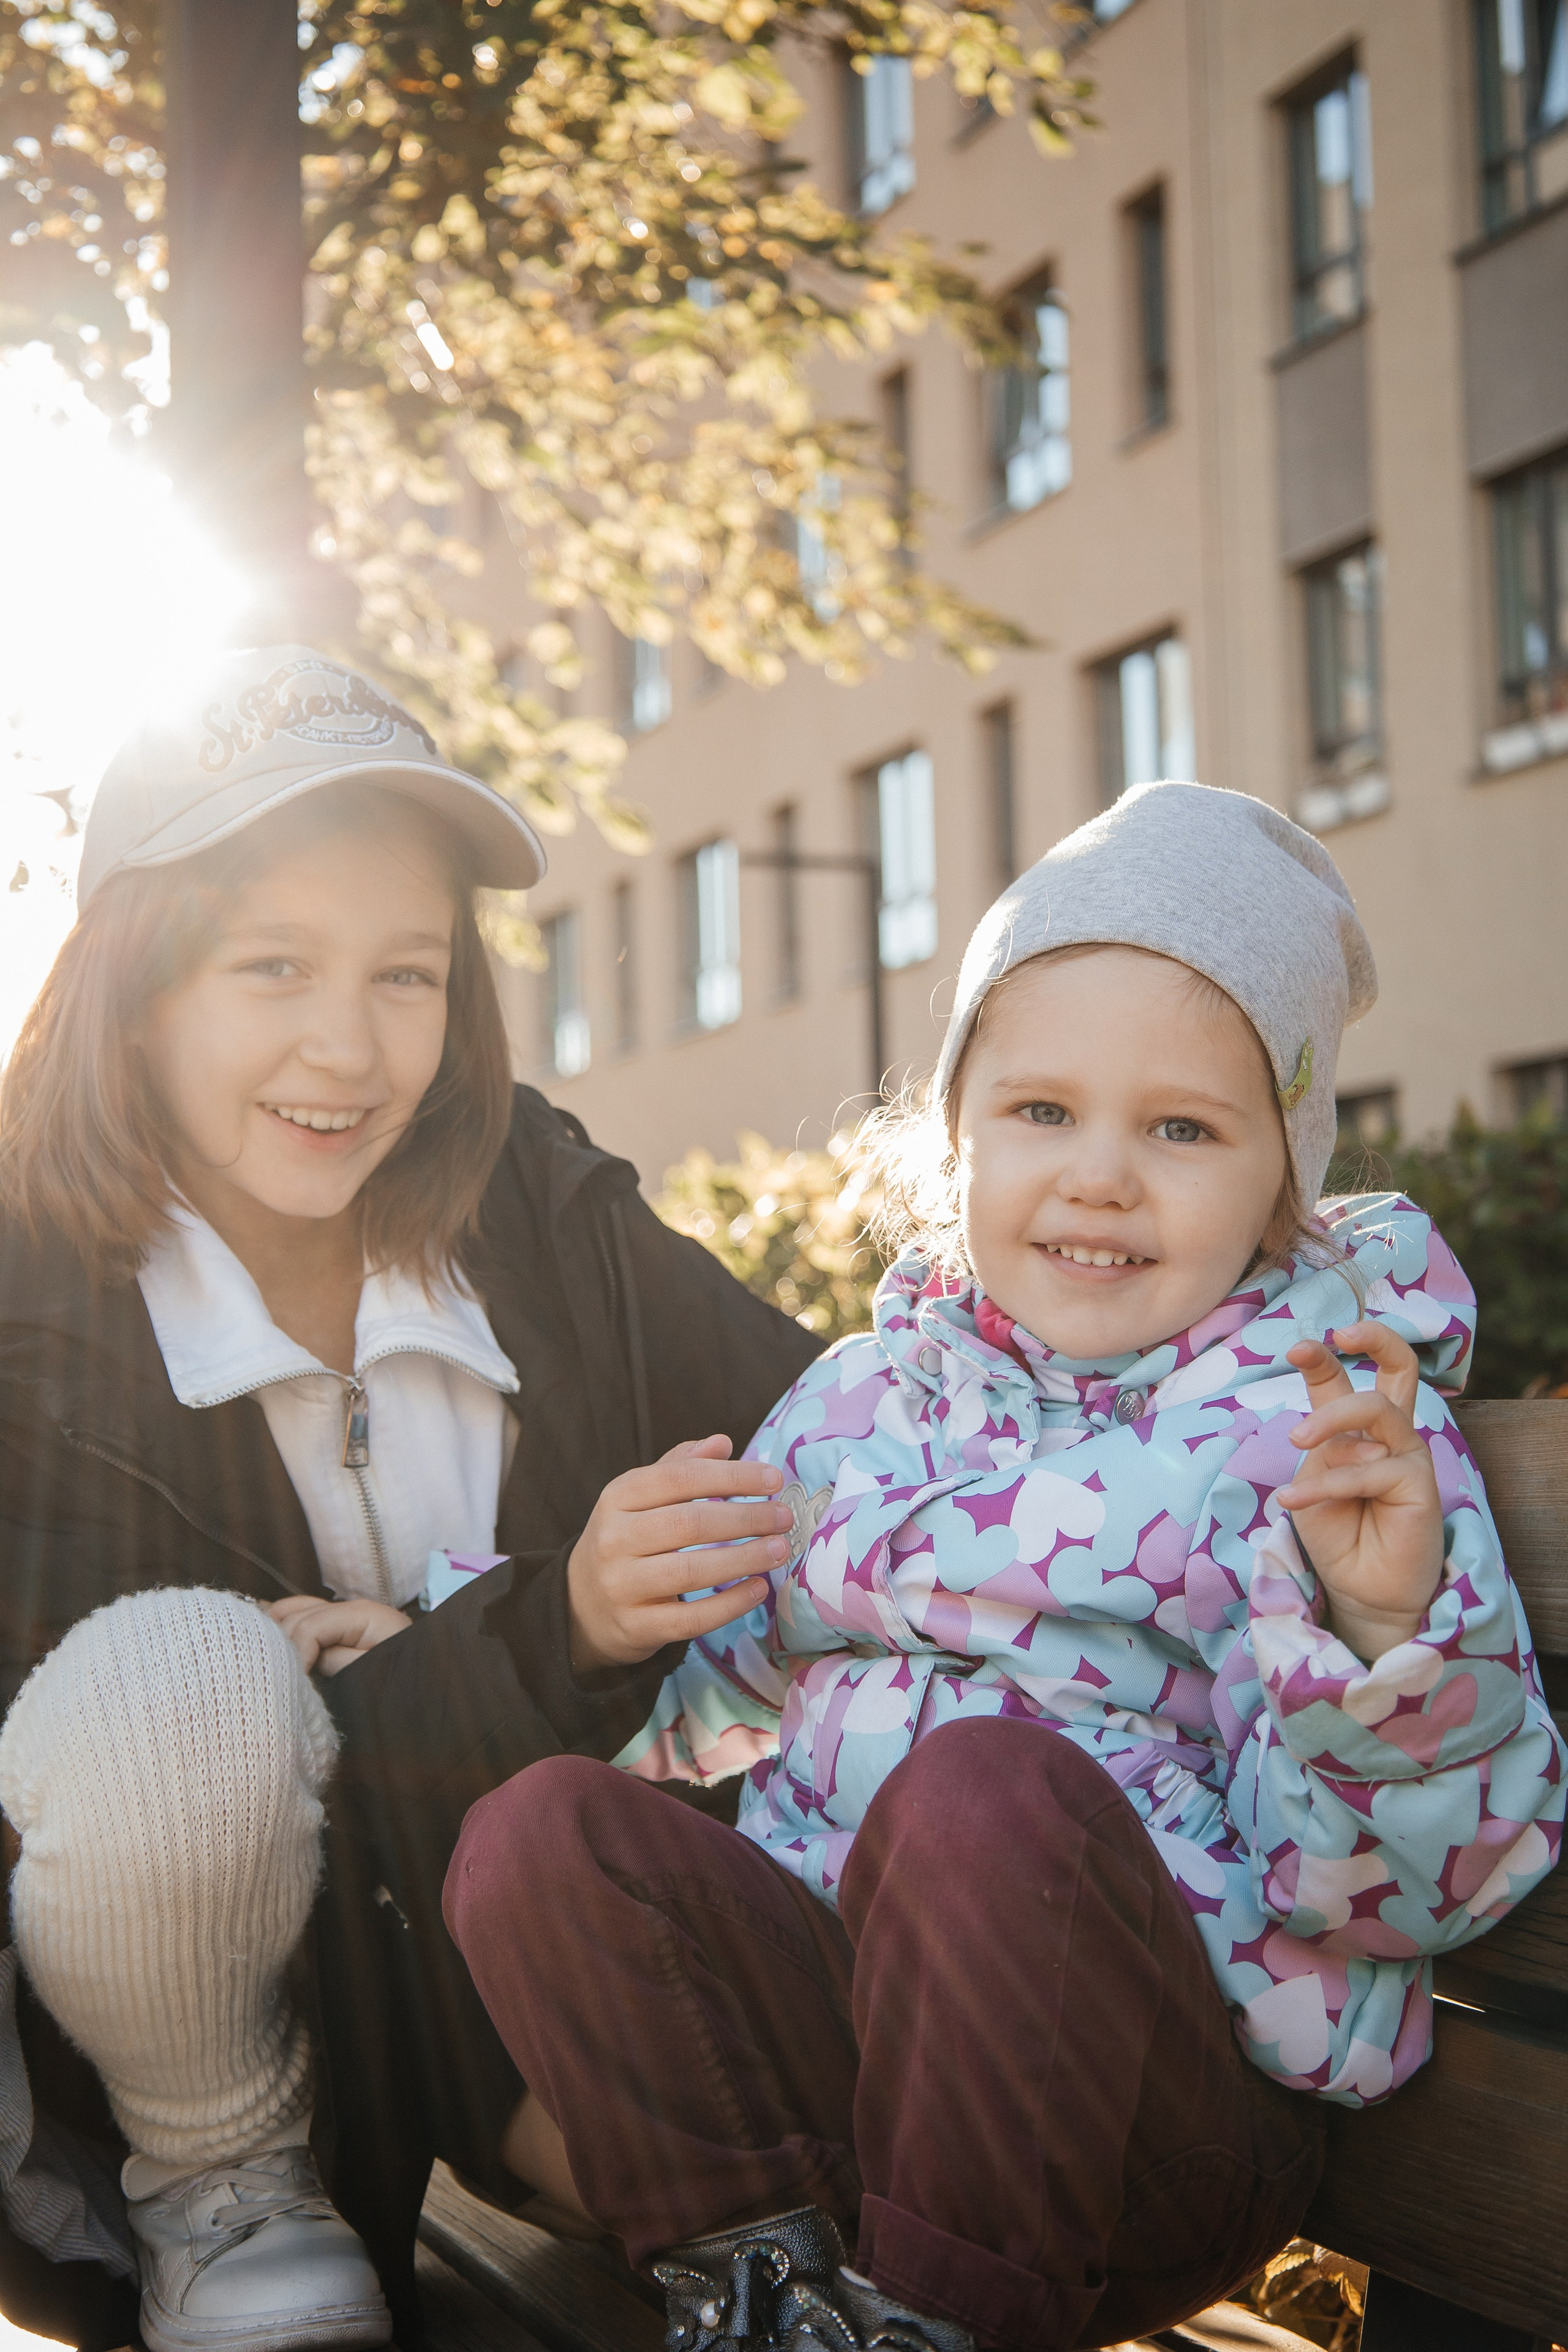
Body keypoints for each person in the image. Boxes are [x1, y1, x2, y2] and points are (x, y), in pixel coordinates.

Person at [443, 781, 1568, 2352]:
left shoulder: (1318, 1433)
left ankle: (932, 2326)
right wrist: (506, 1616)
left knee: (983, 1796)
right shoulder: (857, 1399)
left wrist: (1382, 1628)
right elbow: (706, 1704)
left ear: (1280, 1182)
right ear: (955, 1138)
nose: (1099, 1174)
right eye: (1040, 1112)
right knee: (541, 1831)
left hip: (1140, 2123)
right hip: (851, 2085)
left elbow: (1408, 1900)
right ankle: (757, 2299)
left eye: (1180, 1127)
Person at [0, 646, 818, 2352]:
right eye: (272, 965)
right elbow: (147, 1767)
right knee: (185, 1692)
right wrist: (530, 1634)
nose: (350, 1048)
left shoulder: (534, 1201)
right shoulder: (33, 1312)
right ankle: (216, 2200)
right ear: (140, 984)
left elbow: (834, 1444)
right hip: (186, 2102)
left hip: (519, 2000)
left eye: (407, 973)